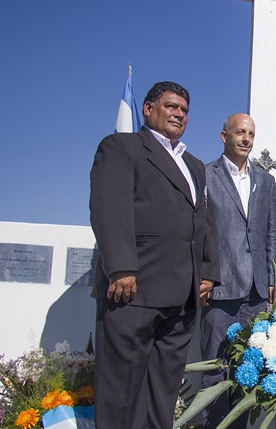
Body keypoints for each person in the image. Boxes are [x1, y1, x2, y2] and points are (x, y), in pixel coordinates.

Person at [90, 81, 213, 428]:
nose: (179, 114)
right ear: (147, 109)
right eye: (171, 106)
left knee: (162, 392)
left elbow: (204, 220)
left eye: (185, 110)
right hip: (133, 290)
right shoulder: (121, 147)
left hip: (180, 298)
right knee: (121, 391)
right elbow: (108, 207)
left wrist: (206, 272)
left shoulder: (194, 164)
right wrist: (121, 267)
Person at [200, 113, 276, 429]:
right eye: (239, 133)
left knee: (251, 371)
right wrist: (204, 276)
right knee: (216, 373)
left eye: (251, 134)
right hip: (219, 291)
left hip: (257, 294)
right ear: (224, 136)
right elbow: (199, 233)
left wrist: (272, 279)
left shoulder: (266, 180)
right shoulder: (205, 175)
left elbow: (270, 232)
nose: (246, 139)